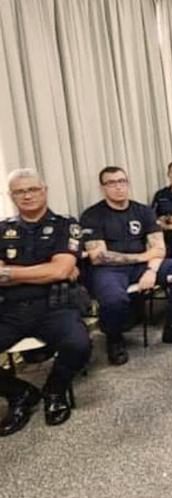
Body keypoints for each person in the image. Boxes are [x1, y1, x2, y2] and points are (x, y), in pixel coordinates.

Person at [0, 169, 91, 436]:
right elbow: (53, 270)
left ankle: (55, 389)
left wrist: (9, 273)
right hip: (9, 309)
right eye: (19, 191)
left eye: (32, 189)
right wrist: (44, 271)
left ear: (44, 190)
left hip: (54, 306)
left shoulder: (66, 225)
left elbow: (61, 271)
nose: (27, 195)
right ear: (11, 196)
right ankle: (20, 394)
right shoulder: (3, 229)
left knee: (79, 344)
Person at [81, 167, 172, 366]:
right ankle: (115, 339)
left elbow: (159, 248)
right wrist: (141, 257)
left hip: (143, 265)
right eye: (111, 183)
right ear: (103, 188)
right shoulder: (92, 215)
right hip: (109, 270)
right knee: (113, 299)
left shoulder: (143, 211)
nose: (118, 187)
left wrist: (151, 270)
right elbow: (99, 257)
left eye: (122, 181)